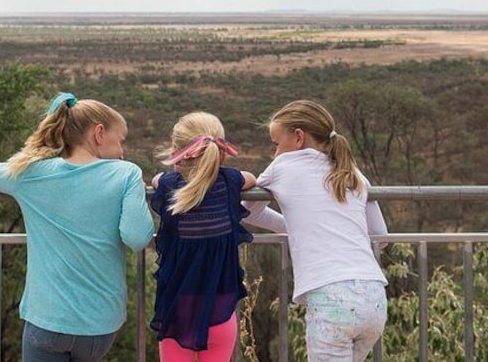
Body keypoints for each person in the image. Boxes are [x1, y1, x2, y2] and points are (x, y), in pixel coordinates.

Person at [0, 92, 155, 362]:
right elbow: (137, 238)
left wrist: (31, 159)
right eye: (120, 141)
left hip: (47, 320)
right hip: (100, 325)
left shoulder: (32, 174)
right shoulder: (125, 173)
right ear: (99, 133)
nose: (122, 152)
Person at [243, 99, 388, 362]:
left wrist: (293, 228)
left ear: (298, 137)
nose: (274, 154)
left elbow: (248, 210)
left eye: (276, 144)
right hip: (374, 296)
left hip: (331, 297)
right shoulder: (353, 172)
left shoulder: (282, 167)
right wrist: (305, 227)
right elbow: (380, 234)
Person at [150, 112, 256, 362]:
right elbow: (251, 178)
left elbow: (156, 179)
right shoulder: (230, 182)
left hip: (179, 313)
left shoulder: (168, 186)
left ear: (178, 152)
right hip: (221, 313)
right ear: (220, 150)